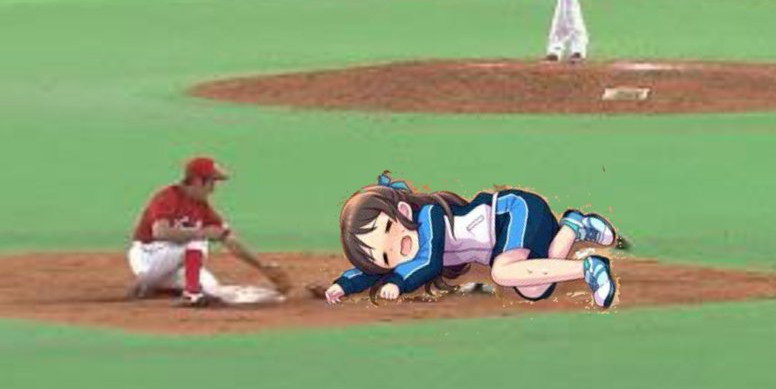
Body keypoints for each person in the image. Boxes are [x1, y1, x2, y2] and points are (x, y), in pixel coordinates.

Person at [324, 173, 620, 310]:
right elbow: (374, 269)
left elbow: (429, 261)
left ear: (403, 211)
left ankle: (589, 268)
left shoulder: (429, 217)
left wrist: (399, 282)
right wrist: (345, 284)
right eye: (388, 256)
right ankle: (572, 227)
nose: (395, 246)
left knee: (503, 272)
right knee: (534, 288)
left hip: (514, 212)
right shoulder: (404, 260)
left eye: (390, 229)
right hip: (509, 239)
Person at [127, 157, 290, 306]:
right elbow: (160, 232)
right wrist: (201, 233)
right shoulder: (167, 197)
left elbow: (228, 238)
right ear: (198, 181)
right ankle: (185, 292)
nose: (213, 189)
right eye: (212, 183)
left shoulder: (202, 206)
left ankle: (160, 287)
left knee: (211, 287)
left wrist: (262, 266)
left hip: (174, 263)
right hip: (149, 257)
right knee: (198, 238)